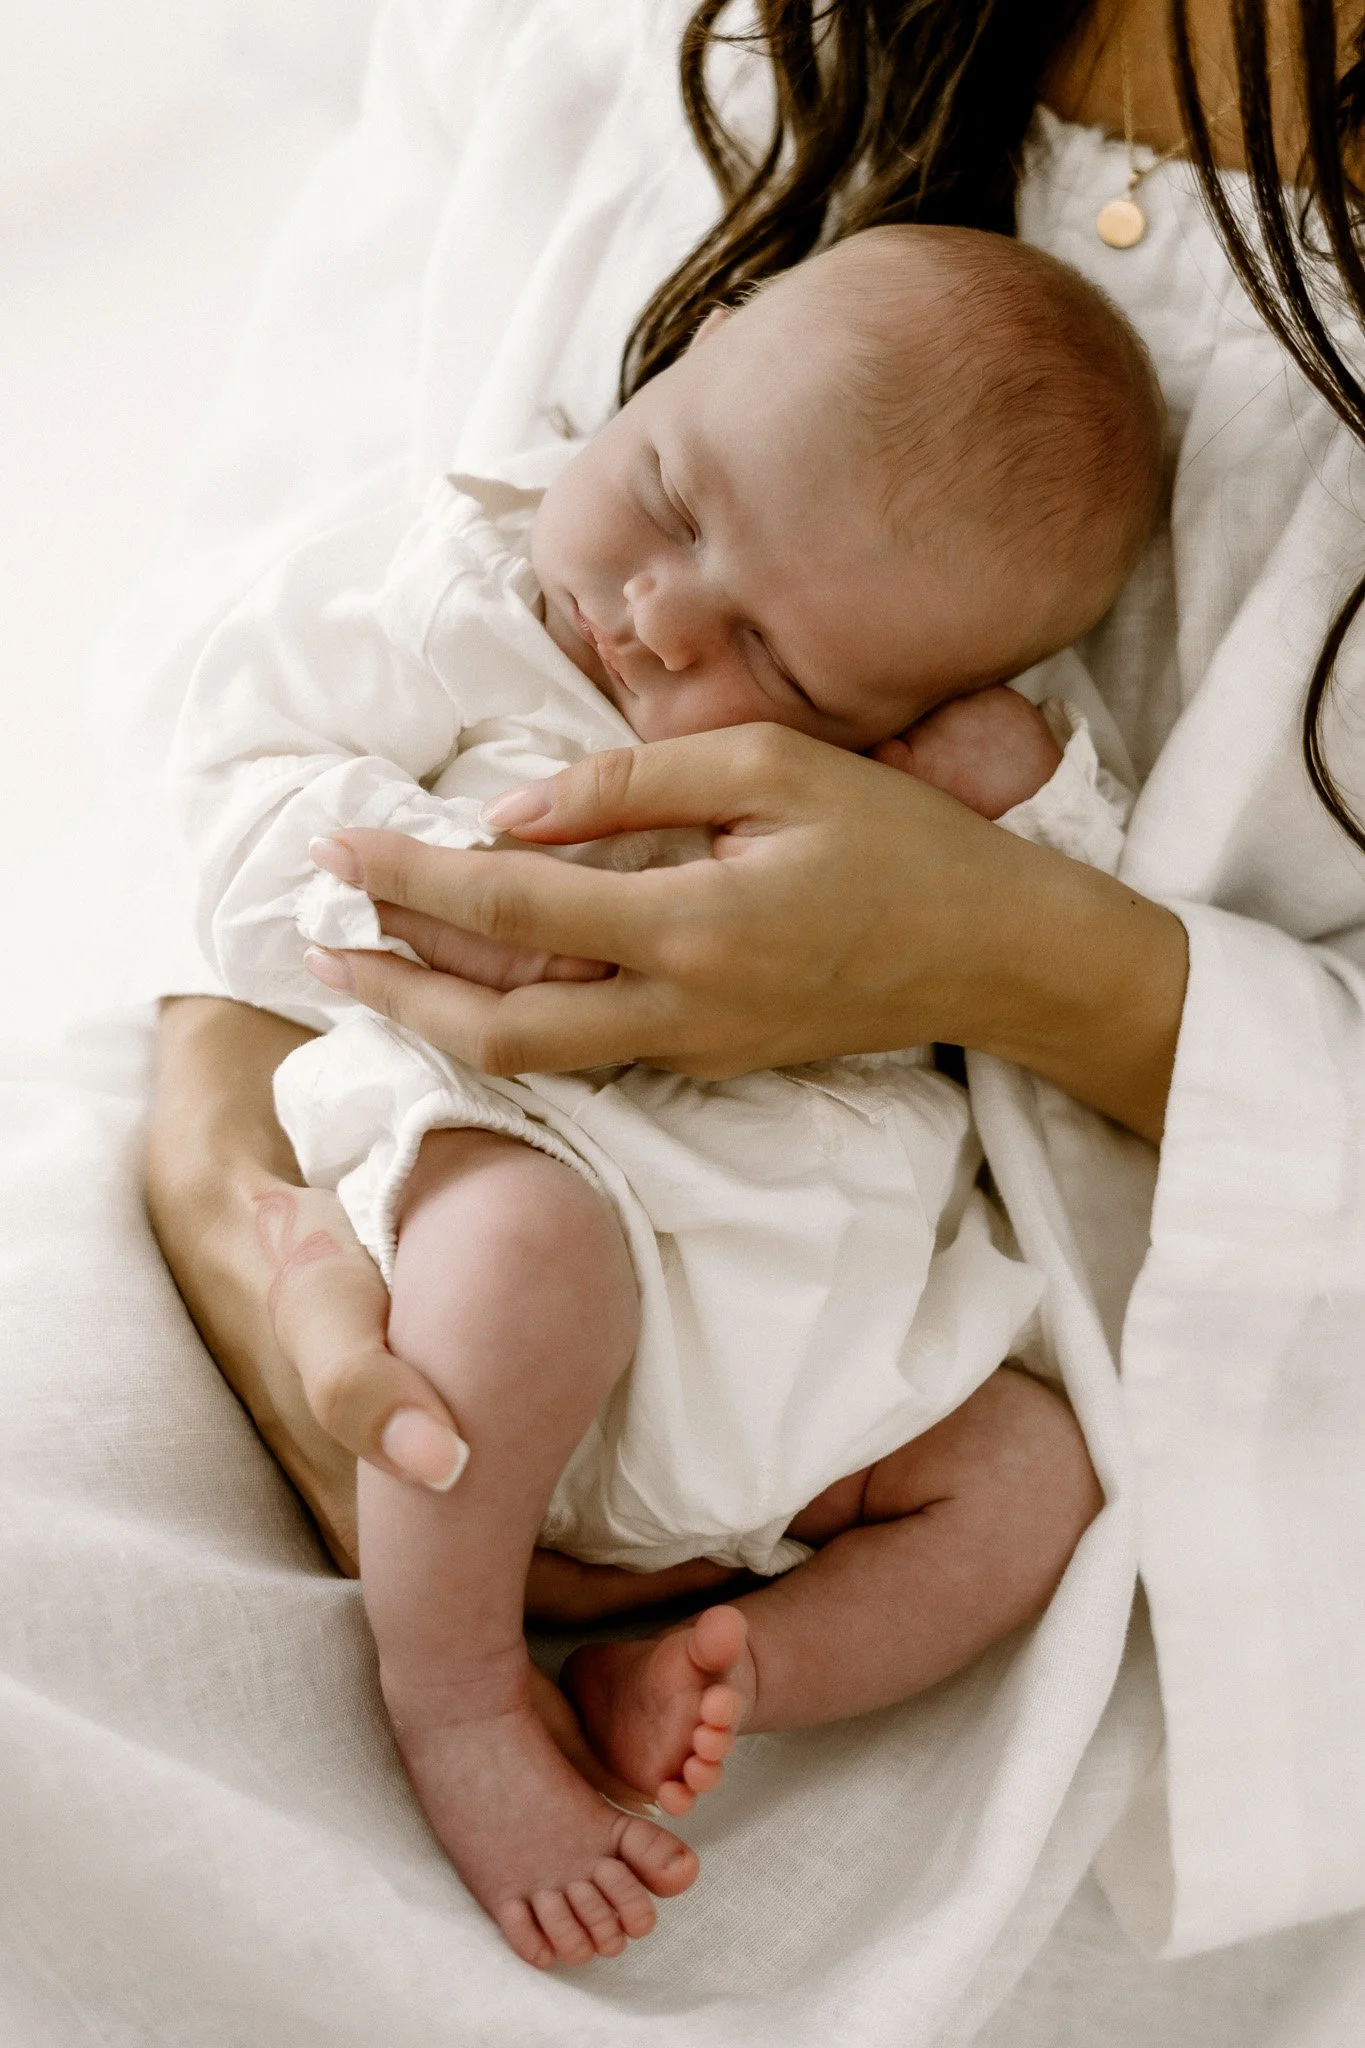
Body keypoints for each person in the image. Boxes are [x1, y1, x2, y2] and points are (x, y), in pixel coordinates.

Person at [143, 0, 1365, 2000]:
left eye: (780, 670)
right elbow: (230, 743)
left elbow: (1088, 844)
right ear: (671, 373)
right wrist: (375, 945)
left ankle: (729, 1664)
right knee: (522, 1260)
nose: (652, 621)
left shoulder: (939, 746)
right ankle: (455, 1697)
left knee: (1026, 1482)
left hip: (842, 1315)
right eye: (673, 511)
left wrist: (1005, 889)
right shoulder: (452, 583)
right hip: (506, 1170)